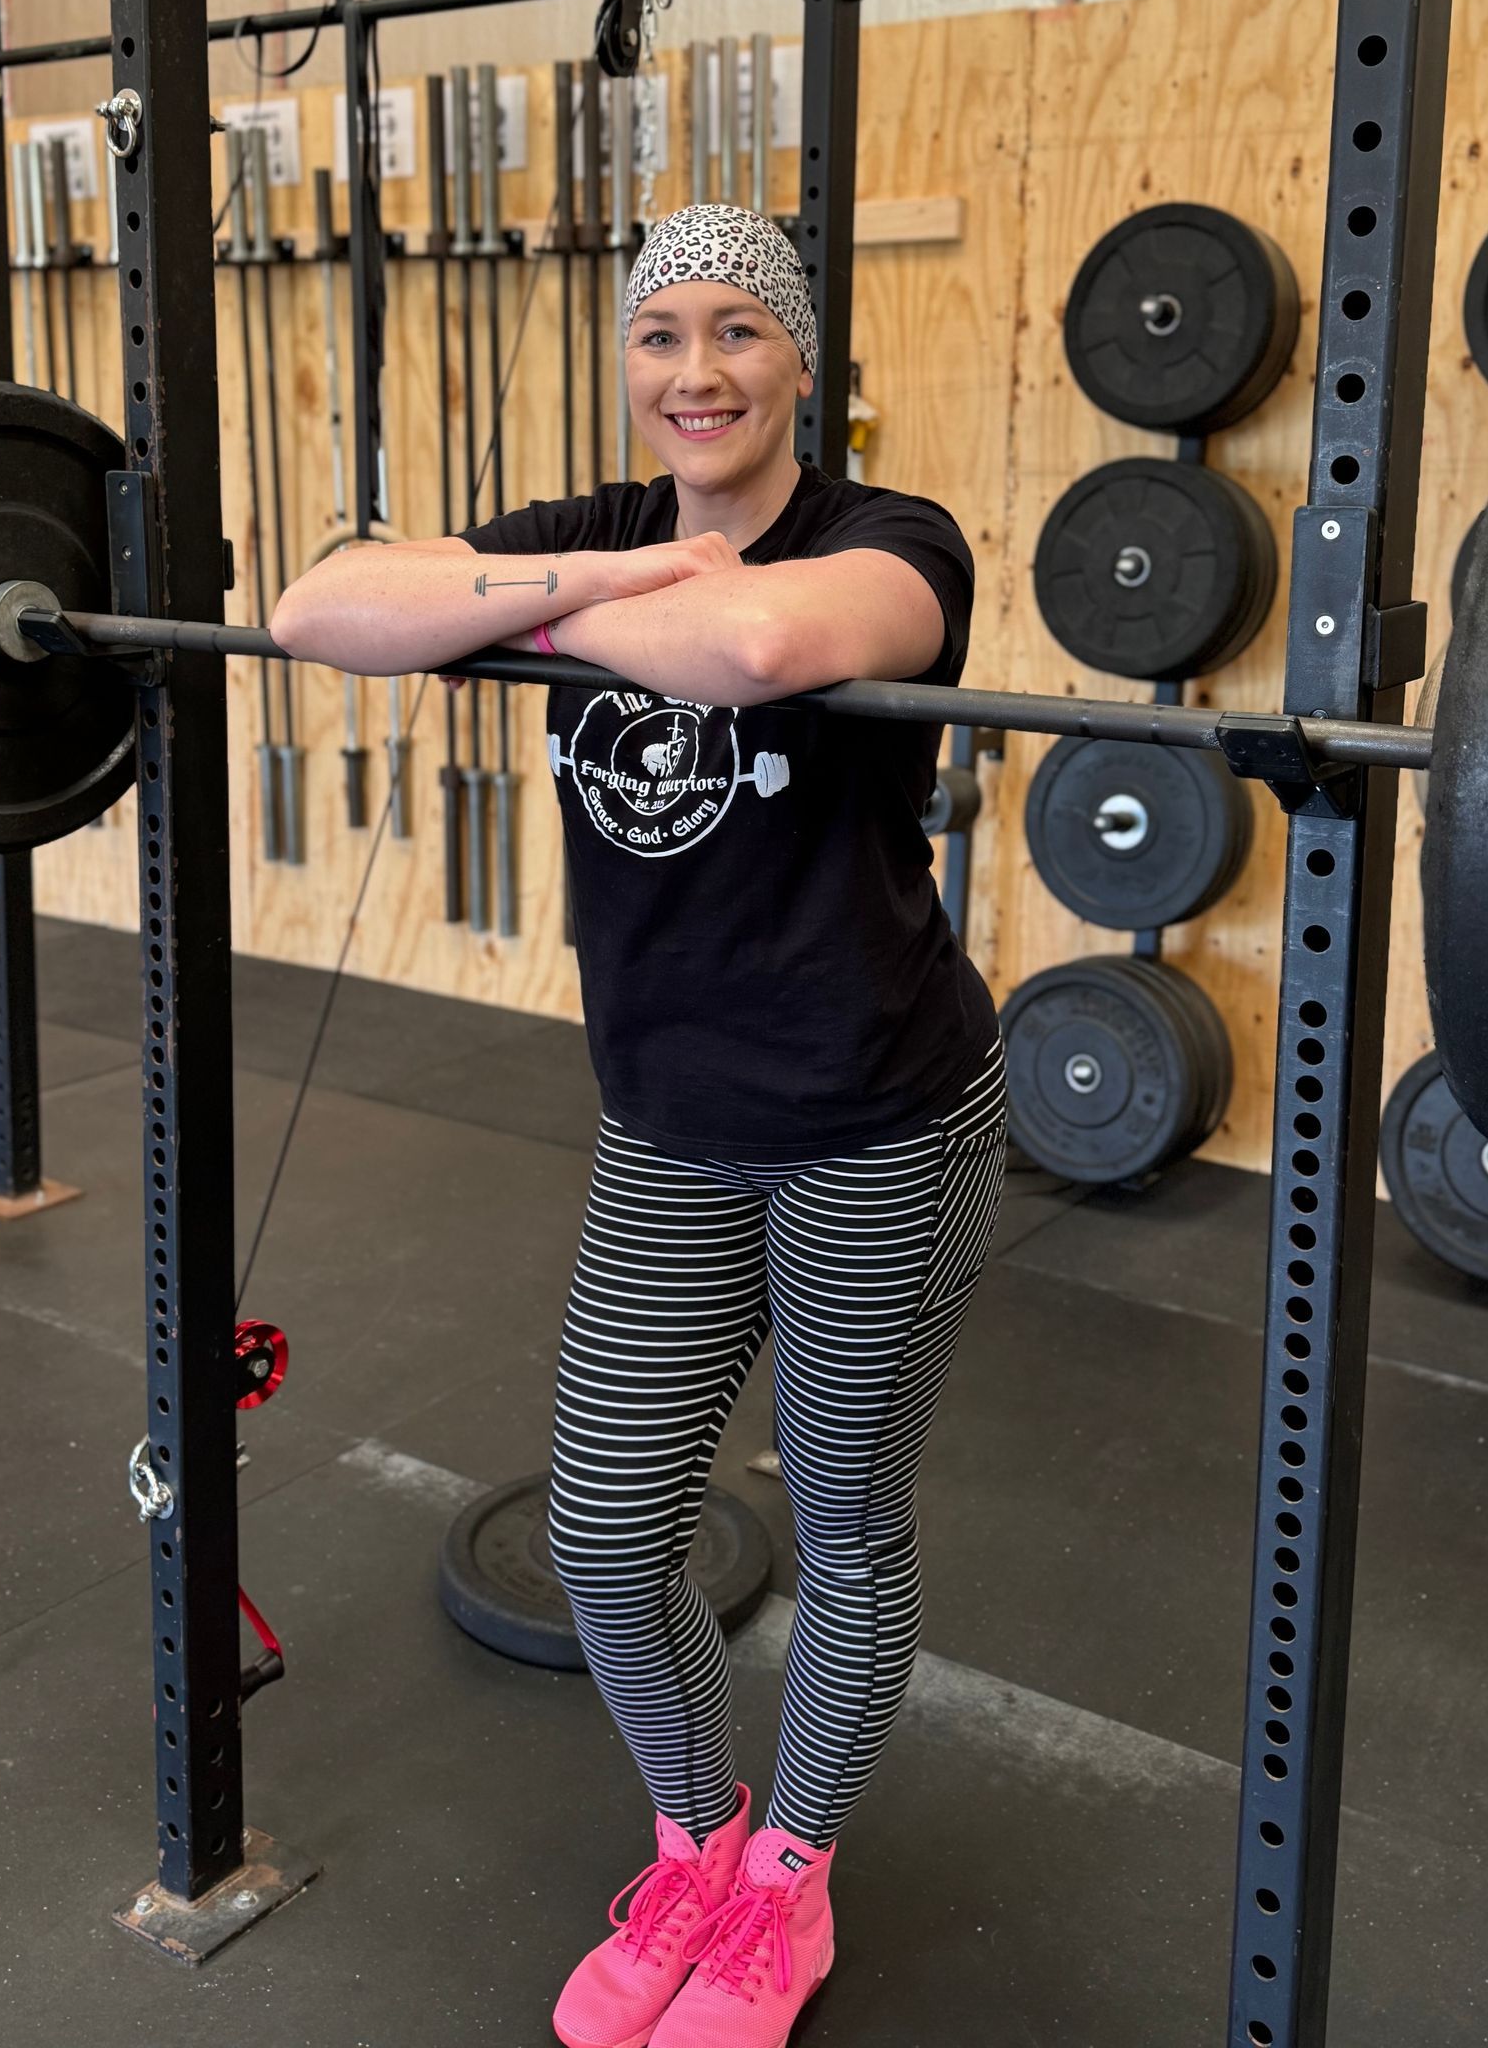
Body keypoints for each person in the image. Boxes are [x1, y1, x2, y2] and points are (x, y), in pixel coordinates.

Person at [272, 200, 1005, 2048]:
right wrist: (596, 586)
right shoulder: (598, 532)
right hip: (670, 1121)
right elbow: (317, 606)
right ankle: (698, 1838)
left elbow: (761, 648)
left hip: (878, 1113)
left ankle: (786, 1889)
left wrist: (517, 608)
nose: (698, 372)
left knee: (841, 1525)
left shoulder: (893, 540)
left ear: (805, 362)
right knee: (604, 1532)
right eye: (661, 333)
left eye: (740, 330)